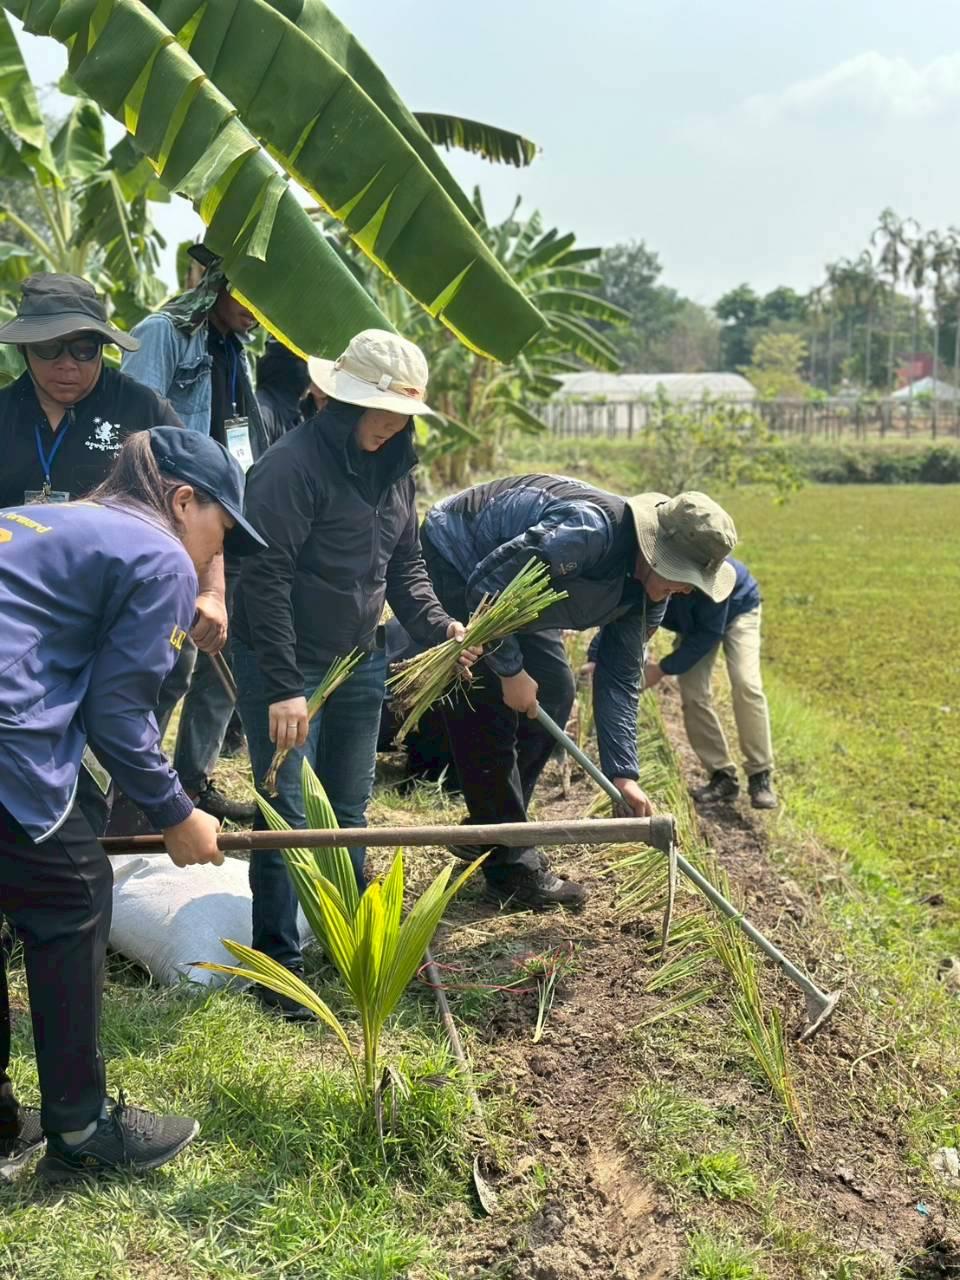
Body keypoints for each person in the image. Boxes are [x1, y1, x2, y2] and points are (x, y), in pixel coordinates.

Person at [0, 427, 267, 1184]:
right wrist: (176, 812)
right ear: (183, 501)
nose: (216, 553)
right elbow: (120, 716)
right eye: (220, 531)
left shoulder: (50, 520)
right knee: (72, 894)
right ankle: (83, 1132)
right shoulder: (155, 554)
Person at [232, 330, 472, 1021]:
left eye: (401, 415)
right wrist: (282, 685)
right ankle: (278, 971)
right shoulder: (290, 467)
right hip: (289, 661)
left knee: (350, 810)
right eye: (380, 410)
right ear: (338, 400)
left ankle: (345, 944)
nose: (392, 424)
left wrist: (440, 627)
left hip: (362, 656)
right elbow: (262, 577)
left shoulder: (397, 467)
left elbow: (406, 565)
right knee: (288, 816)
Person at [420, 480, 738, 909]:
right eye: (681, 575)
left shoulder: (650, 594)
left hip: (521, 594)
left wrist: (622, 773)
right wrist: (510, 670)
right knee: (487, 699)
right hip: (461, 560)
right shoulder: (588, 532)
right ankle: (510, 865)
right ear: (653, 549)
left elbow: (620, 676)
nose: (685, 590)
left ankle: (493, 829)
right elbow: (486, 585)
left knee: (554, 691)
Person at [121, 248, 272, 824]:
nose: (259, 313)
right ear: (220, 283)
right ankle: (131, 793)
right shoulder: (164, 334)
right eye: (251, 297)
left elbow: (243, 445)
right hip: (171, 520)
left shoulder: (235, 349)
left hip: (220, 516)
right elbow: (135, 439)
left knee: (218, 653)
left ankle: (190, 780)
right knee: (164, 667)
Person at [0, 273, 182, 508]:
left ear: (100, 346)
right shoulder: (4, 412)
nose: (66, 363)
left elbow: (192, 496)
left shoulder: (143, 410)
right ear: (23, 348)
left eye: (83, 349)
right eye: (48, 348)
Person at [643, 556, 777, 810]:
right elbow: (634, 620)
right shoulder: (651, 570)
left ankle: (760, 774)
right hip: (694, 622)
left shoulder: (712, 575)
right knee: (693, 693)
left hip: (738, 606)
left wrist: (661, 669)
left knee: (746, 685)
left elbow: (707, 634)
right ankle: (722, 775)